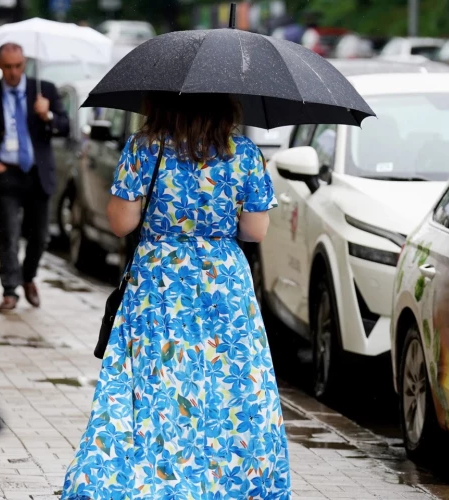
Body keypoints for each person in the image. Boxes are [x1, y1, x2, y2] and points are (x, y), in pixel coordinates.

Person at [60, 92, 291, 498]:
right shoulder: (245, 153)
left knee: (159, 380)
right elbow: (256, 231)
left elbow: (120, 223)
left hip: (159, 282)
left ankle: (157, 477)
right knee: (227, 386)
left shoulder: (145, 148)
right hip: (224, 285)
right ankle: (230, 482)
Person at [0, 43, 69, 313]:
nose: (13, 72)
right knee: (9, 234)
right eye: (8, 66)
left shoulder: (43, 89)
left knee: (40, 237)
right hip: (7, 174)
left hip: (38, 174)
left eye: (18, 66)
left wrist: (46, 114)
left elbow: (64, 125)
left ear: (24, 64)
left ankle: (28, 276)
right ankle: (10, 290)